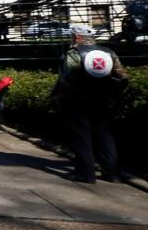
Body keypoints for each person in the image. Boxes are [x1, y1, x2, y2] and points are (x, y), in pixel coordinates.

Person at [52, 24, 128, 183]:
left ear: (77, 37)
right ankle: (112, 174)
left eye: (72, 36)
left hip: (78, 102)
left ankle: (85, 174)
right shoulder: (108, 52)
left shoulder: (74, 53)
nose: (71, 39)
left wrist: (60, 98)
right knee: (105, 136)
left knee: (82, 138)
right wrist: (113, 94)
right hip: (103, 101)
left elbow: (67, 79)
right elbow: (122, 77)